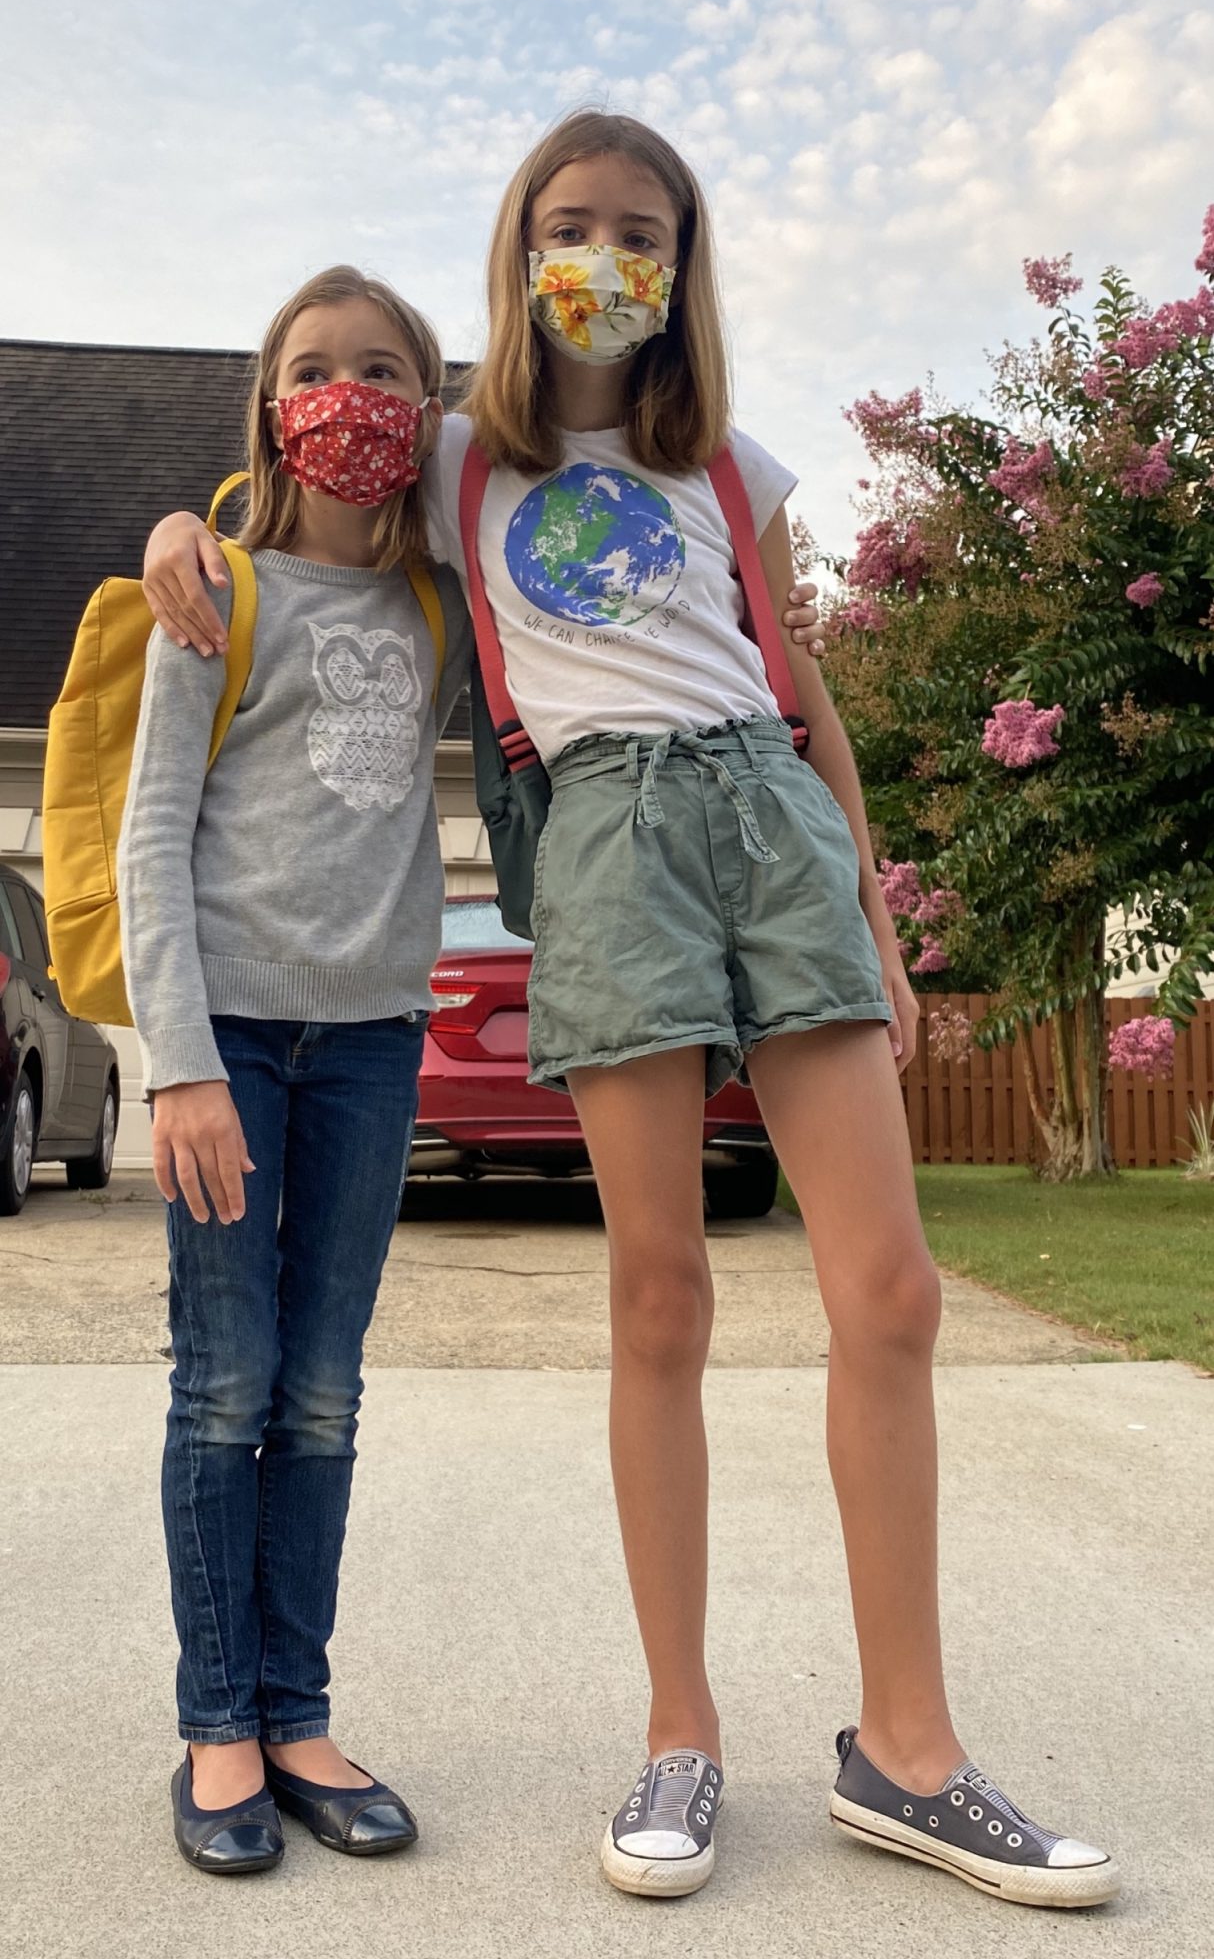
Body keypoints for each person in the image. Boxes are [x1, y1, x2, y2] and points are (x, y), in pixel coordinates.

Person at [138, 116, 1118, 1911]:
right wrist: (168, 534)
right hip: (604, 836)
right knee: (658, 1292)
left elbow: (799, 682)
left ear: (683, 261)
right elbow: (290, 488)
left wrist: (875, 908)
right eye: (570, 225)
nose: (604, 256)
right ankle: (680, 1730)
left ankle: (908, 1750)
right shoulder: (457, 455)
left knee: (889, 1289)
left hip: (770, 823)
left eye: (640, 230)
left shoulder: (730, 463)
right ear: (520, 253)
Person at [120, 265, 471, 1875]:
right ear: (272, 408)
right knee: (228, 1381)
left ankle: (297, 1713)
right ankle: (217, 1724)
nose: (351, 395)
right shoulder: (215, 593)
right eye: (318, 367)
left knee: (323, 1391)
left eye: (384, 370)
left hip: (371, 1049)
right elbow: (150, 840)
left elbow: (544, 509)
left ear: (425, 406)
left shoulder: (442, 607)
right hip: (233, 1050)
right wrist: (178, 1063)